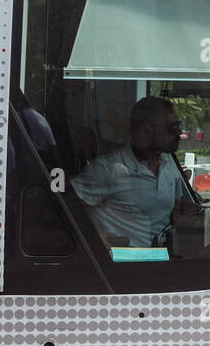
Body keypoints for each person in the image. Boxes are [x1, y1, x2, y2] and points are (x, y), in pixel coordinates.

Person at [71, 95, 190, 250]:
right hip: (122, 268)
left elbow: (176, 209)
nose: (179, 133)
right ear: (145, 130)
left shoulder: (169, 166)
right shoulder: (107, 169)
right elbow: (65, 206)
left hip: (161, 262)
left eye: (179, 127)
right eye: (172, 128)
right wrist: (93, 239)